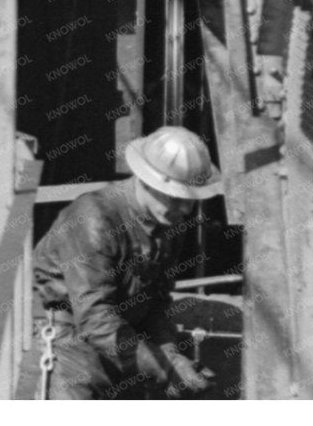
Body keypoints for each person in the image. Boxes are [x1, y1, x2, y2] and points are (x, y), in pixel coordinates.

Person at [25, 125, 221, 399]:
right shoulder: (93, 218)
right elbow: (95, 317)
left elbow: (156, 304)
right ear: (146, 180)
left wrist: (174, 358)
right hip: (71, 342)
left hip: (127, 340)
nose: (185, 209)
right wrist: (165, 370)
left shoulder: (169, 222)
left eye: (190, 201)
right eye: (176, 198)